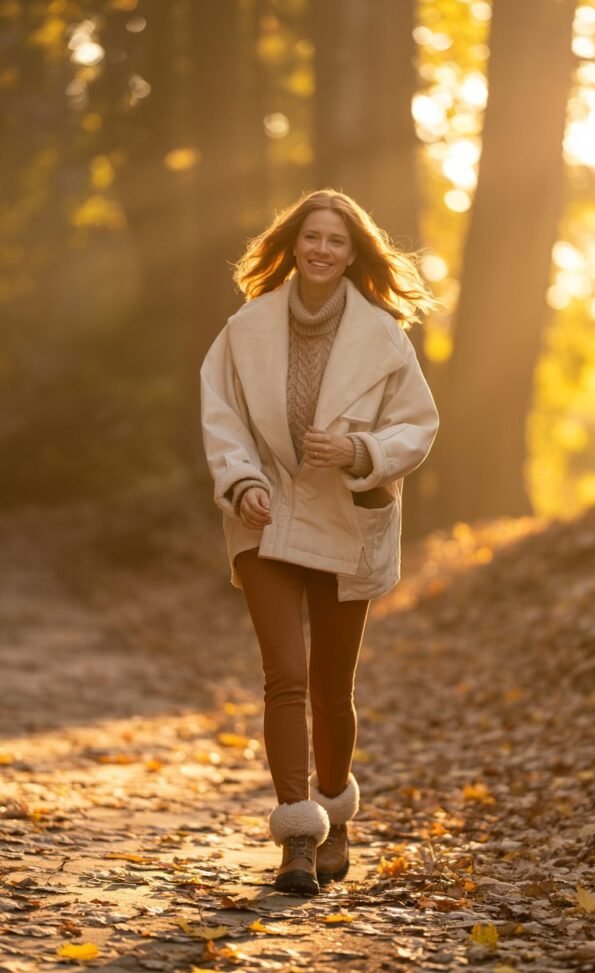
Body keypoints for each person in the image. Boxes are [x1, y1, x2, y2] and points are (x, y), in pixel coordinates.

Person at [200, 188, 439, 896]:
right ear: (293, 246)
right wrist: (241, 481)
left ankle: (337, 812)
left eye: (337, 240)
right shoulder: (245, 330)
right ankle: (298, 837)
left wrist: (361, 450)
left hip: (346, 522)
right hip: (265, 518)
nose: (323, 249)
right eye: (313, 237)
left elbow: (418, 427)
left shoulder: (384, 338)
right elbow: (222, 417)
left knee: (334, 689)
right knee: (287, 676)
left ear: (352, 252)